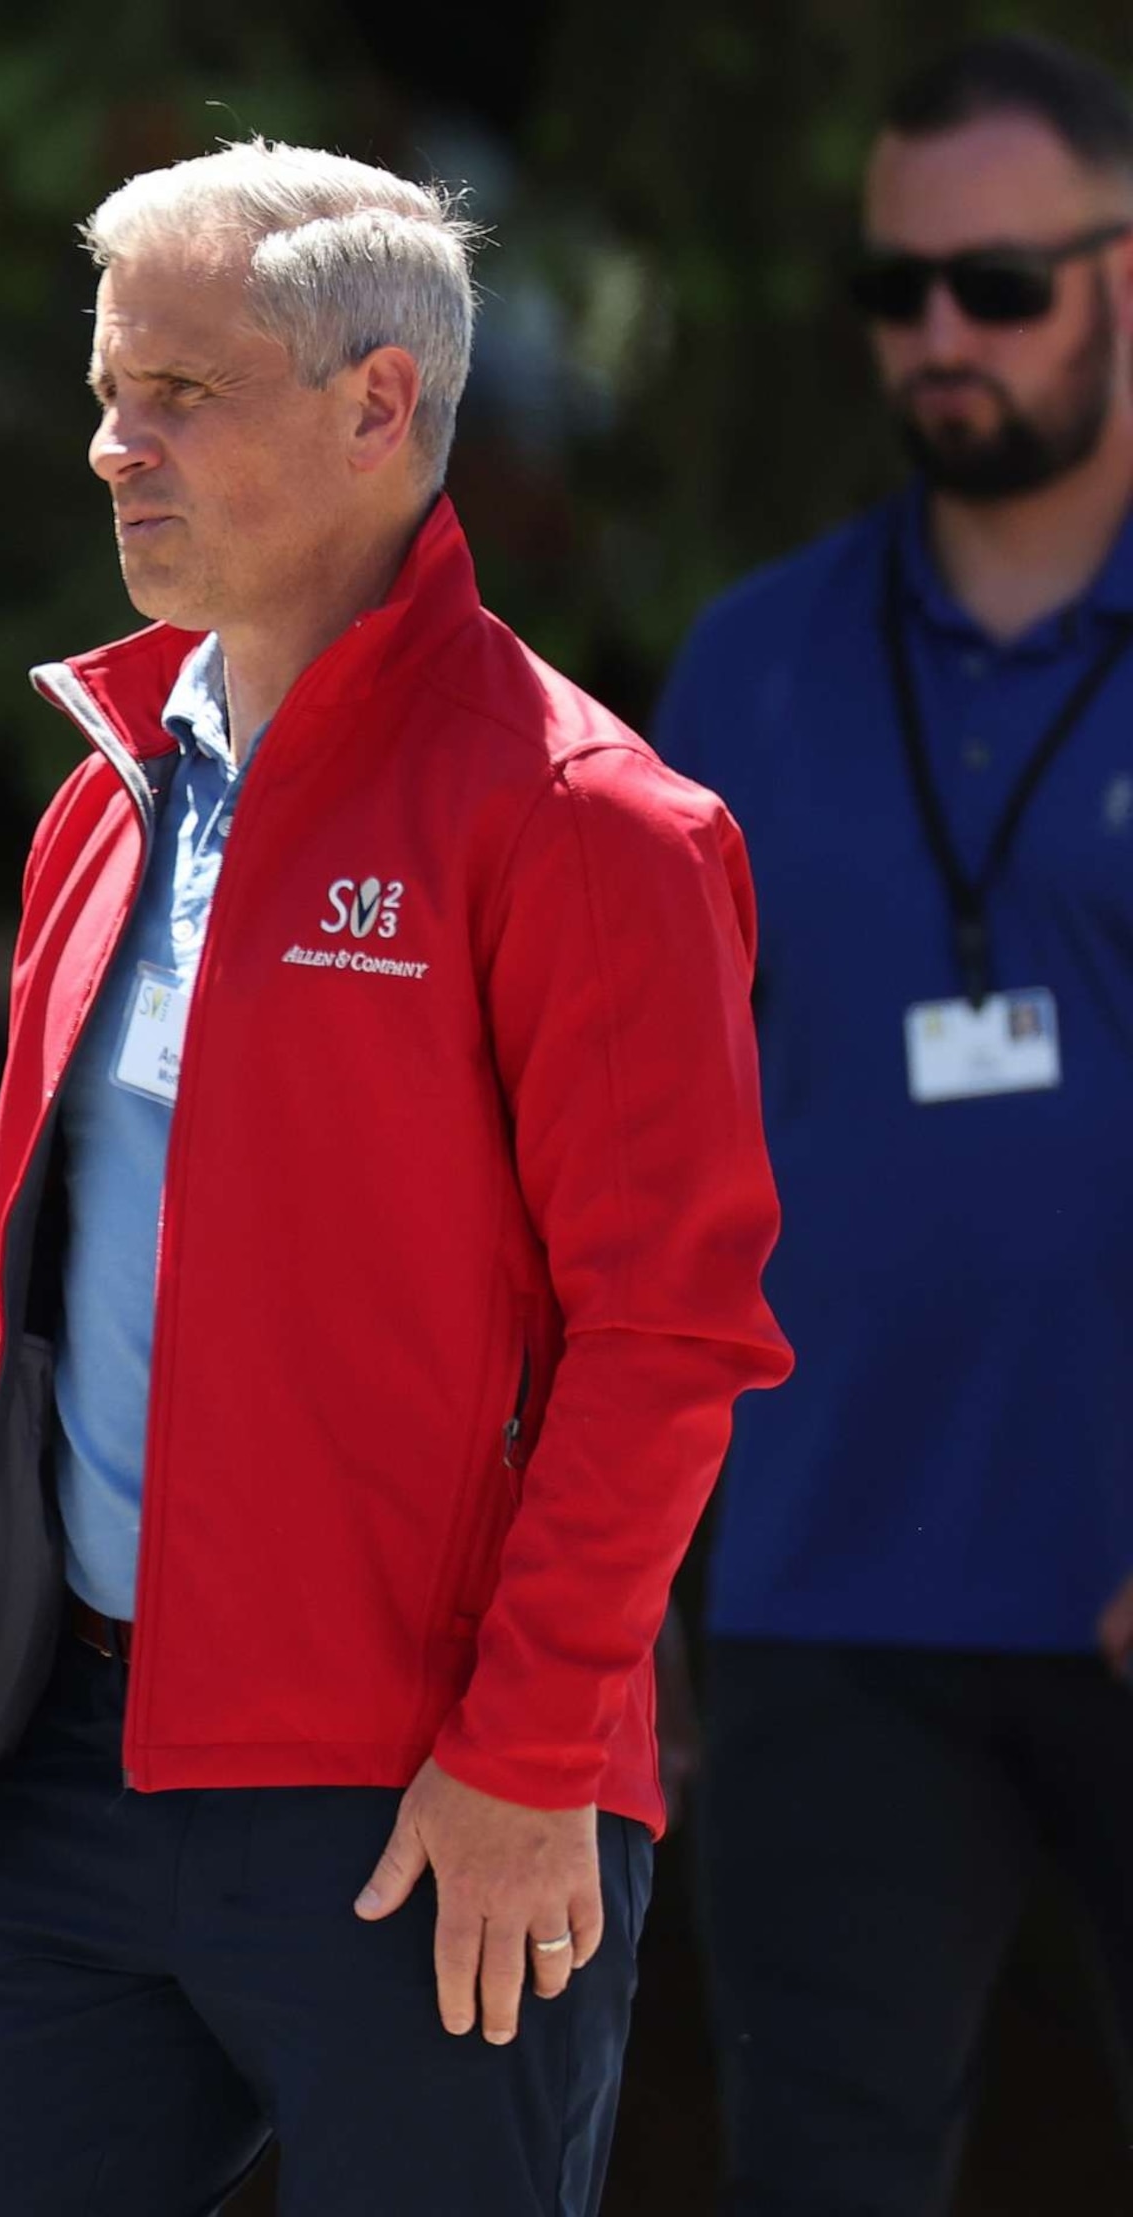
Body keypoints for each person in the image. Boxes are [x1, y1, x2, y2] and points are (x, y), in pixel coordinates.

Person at [0, 140, 791, 2215]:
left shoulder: (592, 817)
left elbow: (668, 1333)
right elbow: (17, 1304)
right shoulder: (109, 802)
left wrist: (525, 1759)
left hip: (428, 1798)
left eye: (178, 392)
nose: (109, 445)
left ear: (380, 406)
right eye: (106, 386)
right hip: (66, 1782)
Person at [653, 35, 1133, 2215]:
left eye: (1006, 282)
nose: (943, 333)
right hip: (828, 1580)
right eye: (899, 285)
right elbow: (649, 1148)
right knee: (820, 2178)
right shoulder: (751, 666)